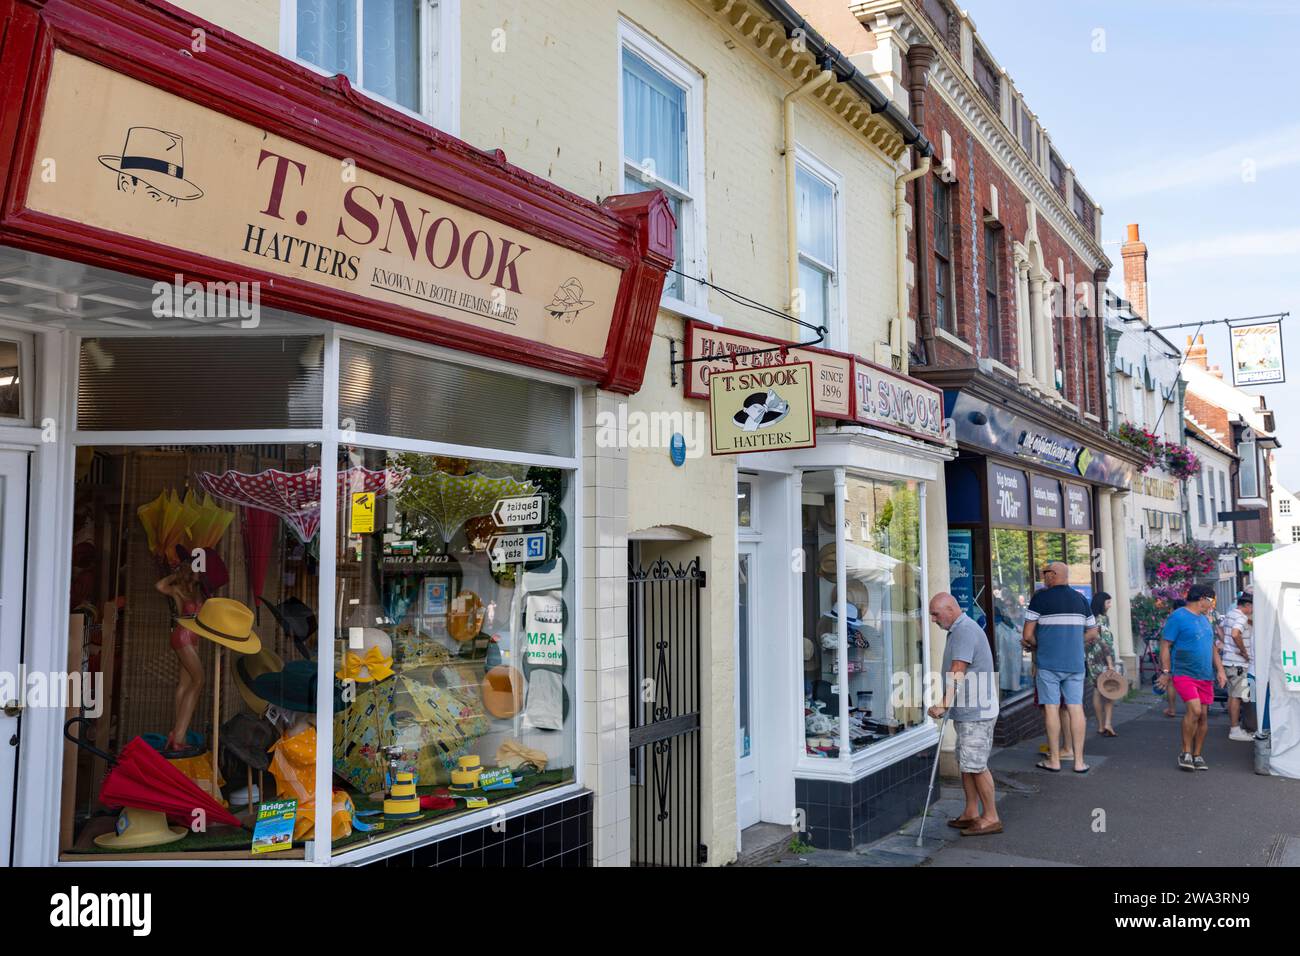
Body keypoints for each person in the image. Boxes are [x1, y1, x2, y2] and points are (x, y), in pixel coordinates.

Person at [927, 593, 1001, 836]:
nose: (933, 619)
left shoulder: (963, 631)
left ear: (950, 609)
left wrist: (943, 704)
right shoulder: (960, 629)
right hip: (970, 710)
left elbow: (958, 670)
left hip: (976, 711)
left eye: (936, 614)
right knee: (967, 763)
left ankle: (991, 817)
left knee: (976, 765)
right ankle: (971, 811)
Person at [1021, 561, 1098, 773]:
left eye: (1045, 573)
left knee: (1052, 708)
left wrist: (1040, 644)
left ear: (1053, 575)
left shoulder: (1040, 598)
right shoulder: (1080, 599)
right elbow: (1093, 632)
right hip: (1074, 663)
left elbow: (1027, 635)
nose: (1043, 577)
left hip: (1048, 663)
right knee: (1076, 708)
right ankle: (1079, 761)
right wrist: (1074, 641)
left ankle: (1054, 760)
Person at [1157, 584, 1228, 771]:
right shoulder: (1178, 617)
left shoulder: (1205, 619)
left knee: (1203, 716)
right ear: (1202, 598)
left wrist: (1220, 671)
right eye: (1211, 600)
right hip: (1184, 672)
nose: (1212, 604)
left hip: (1205, 674)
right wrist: (1166, 672)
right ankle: (1185, 752)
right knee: (1195, 711)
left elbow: (1212, 647)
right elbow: (1165, 645)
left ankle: (1197, 755)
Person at [1220, 593, 1254, 742]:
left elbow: (1219, 629)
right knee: (1237, 695)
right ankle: (1234, 729)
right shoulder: (1241, 617)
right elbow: (1235, 634)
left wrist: (1227, 645)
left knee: (1235, 694)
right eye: (1252, 606)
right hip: (1238, 662)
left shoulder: (1230, 614)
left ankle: (1237, 727)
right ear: (1247, 605)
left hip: (1229, 660)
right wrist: (1243, 651)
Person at [1087, 592, 1119, 737]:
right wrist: (1111, 663)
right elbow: (1105, 643)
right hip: (1104, 659)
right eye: (1108, 603)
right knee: (1111, 691)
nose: (1110, 605)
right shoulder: (1102, 619)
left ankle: (1100, 726)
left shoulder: (1090, 619)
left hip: (1092, 659)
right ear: (1101, 604)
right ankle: (1107, 723)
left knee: (1097, 690)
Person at [1161, 597, 1186, 718]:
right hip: (1186, 655)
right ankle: (1193, 708)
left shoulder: (1173, 619)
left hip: (1172, 653)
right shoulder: (1188, 619)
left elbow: (1165, 642)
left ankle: (1172, 709)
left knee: (1171, 682)